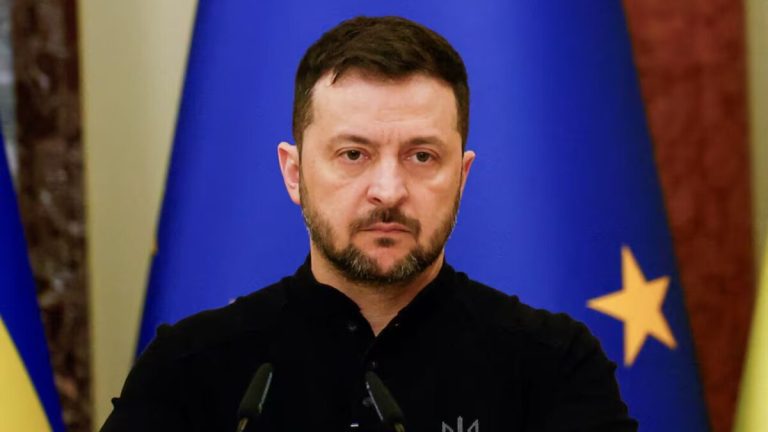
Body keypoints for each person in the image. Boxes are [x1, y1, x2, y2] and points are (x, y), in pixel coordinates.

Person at [102, 16, 637, 432]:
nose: (388, 190)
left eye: (422, 156)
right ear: (294, 173)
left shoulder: (553, 365)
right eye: (353, 154)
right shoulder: (189, 367)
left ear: (462, 176)